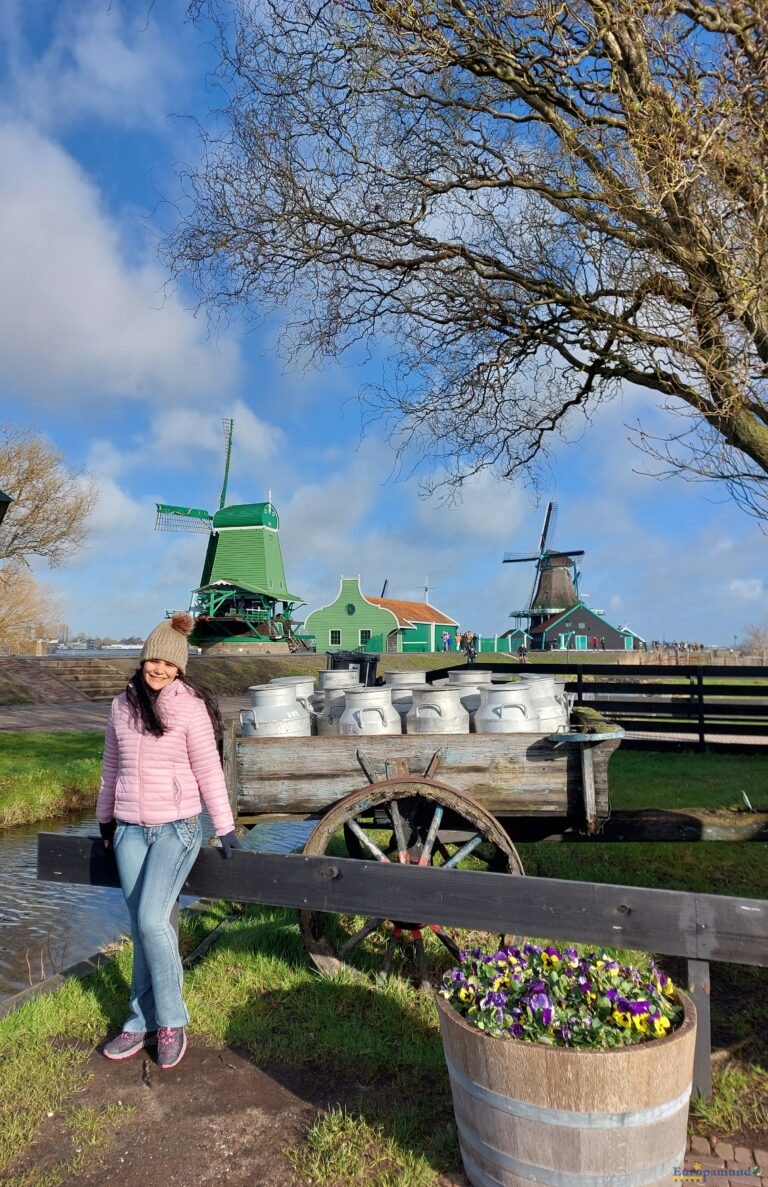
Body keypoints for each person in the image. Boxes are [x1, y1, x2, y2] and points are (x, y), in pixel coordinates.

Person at [96, 612, 242, 1070]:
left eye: (168, 663)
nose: (158, 669)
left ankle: (172, 1020)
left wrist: (224, 826)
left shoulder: (189, 707)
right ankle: (139, 1021)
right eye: (152, 660)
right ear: (142, 661)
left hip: (176, 826)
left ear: (180, 667)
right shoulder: (122, 706)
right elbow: (110, 767)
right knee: (141, 926)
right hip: (129, 830)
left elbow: (207, 770)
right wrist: (105, 821)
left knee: (153, 919)